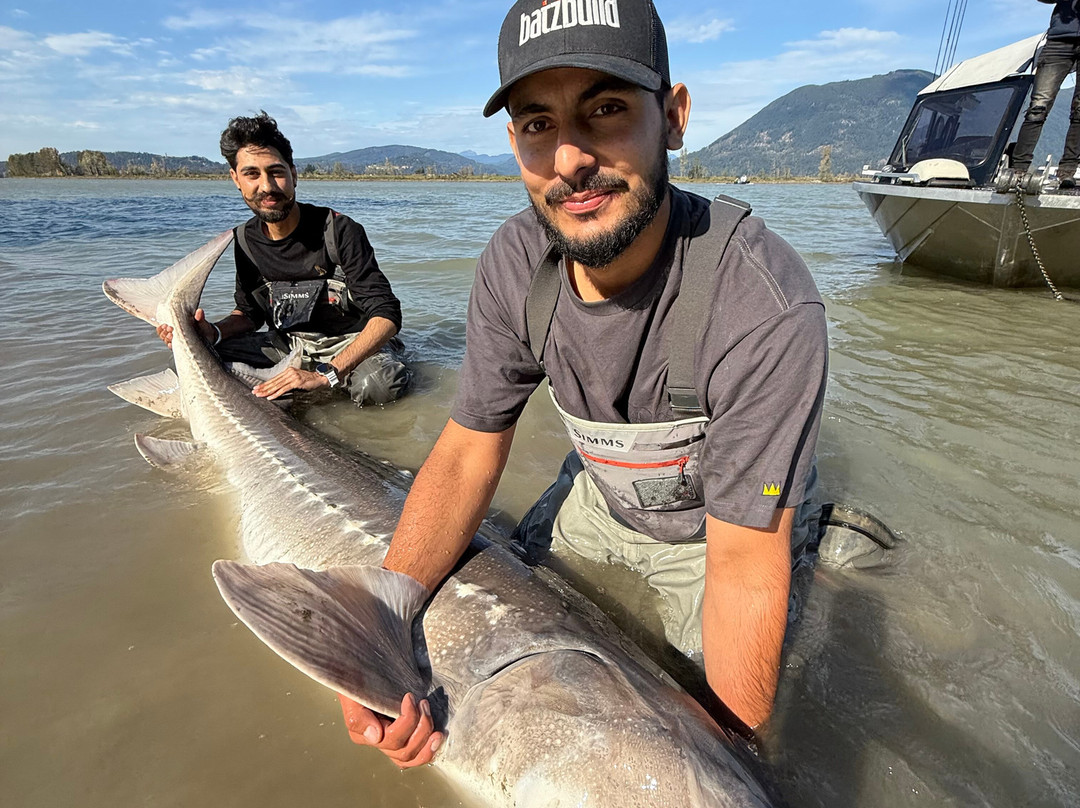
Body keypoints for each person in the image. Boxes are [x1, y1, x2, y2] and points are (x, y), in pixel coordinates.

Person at [337, 0, 827, 768]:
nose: (569, 159)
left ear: (673, 116)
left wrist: (732, 760)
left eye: (604, 109)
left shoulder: (761, 299)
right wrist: (382, 631)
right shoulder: (512, 264)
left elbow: (742, 557)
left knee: (713, 735)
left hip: (721, 526)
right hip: (600, 493)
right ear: (514, 143)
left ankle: (821, 524)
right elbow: (468, 450)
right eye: (539, 124)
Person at [157, 112, 412, 405]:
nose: (266, 186)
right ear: (236, 179)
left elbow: (387, 315)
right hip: (288, 346)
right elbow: (249, 314)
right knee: (193, 361)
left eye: (276, 172)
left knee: (379, 387)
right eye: (252, 174)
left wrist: (325, 375)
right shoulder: (244, 240)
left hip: (350, 342)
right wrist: (211, 332)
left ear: (294, 174)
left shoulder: (339, 230)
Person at [1008, 0, 1080, 190]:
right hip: (1059, 40)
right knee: (1038, 107)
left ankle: (1068, 171)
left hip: (1060, 37)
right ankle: (1019, 170)